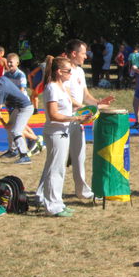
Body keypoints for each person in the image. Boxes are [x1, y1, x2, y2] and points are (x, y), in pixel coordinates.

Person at [37, 56, 93, 217]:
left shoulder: (62, 86)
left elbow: (75, 106)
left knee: (59, 168)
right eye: (68, 71)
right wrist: (75, 118)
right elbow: (53, 114)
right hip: (55, 133)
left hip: (63, 132)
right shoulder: (51, 88)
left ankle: (57, 202)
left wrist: (92, 109)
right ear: (59, 72)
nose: (71, 73)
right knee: (55, 169)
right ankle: (52, 206)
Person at [63, 39, 114, 199]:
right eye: (83, 53)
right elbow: (65, 94)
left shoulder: (79, 71)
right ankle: (42, 193)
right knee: (59, 161)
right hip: (65, 119)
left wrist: (98, 103)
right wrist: (82, 108)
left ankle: (83, 191)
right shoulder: (63, 70)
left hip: (78, 119)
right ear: (74, 53)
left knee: (79, 156)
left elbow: (85, 95)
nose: (86, 56)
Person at [0, 73, 40, 164]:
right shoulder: (2, 79)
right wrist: (7, 125)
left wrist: (3, 123)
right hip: (19, 107)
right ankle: (13, 150)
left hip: (24, 108)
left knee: (16, 131)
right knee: (10, 128)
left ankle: (25, 156)